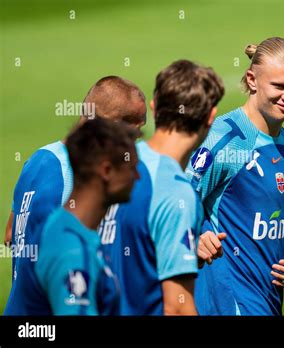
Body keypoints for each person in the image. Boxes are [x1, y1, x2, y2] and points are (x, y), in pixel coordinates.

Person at [186, 37, 284, 315]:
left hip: (267, 302)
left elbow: (272, 220)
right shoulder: (224, 138)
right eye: (279, 86)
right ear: (252, 80)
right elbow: (176, 199)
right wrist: (198, 234)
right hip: (228, 301)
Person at [4, 76, 146, 311]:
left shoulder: (37, 160)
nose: (135, 153)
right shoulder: (73, 179)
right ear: (107, 130)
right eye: (131, 137)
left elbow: (10, 234)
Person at [100, 60, 225, 315]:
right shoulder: (175, 190)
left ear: (154, 107)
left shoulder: (112, 167)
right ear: (211, 117)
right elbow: (178, 308)